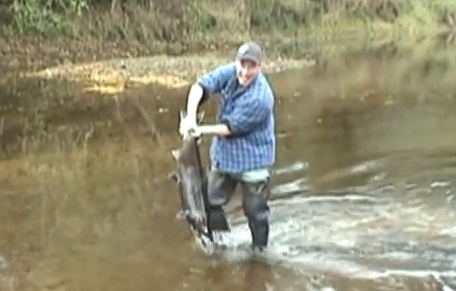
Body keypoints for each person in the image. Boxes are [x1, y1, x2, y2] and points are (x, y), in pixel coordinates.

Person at [179, 41, 276, 250]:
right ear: (236, 61)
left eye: (252, 66)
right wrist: (191, 118)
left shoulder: (261, 97)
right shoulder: (231, 72)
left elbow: (230, 128)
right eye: (242, 64)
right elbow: (201, 86)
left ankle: (260, 254)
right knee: (211, 203)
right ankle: (220, 245)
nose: (245, 71)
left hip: (254, 160)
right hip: (225, 158)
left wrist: (199, 131)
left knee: (256, 213)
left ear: (259, 67)